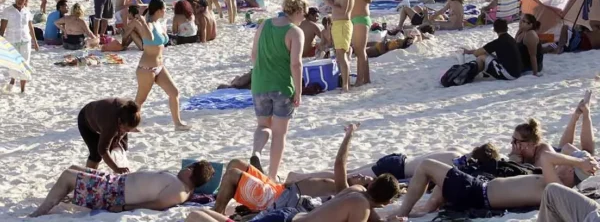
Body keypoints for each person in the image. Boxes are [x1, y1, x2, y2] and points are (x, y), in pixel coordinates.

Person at [197, 124, 402, 222]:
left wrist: (350, 134)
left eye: (366, 178)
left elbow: (340, 165)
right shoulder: (356, 194)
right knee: (235, 166)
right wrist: (349, 134)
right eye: (365, 177)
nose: (363, 177)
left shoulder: (354, 194)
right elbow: (339, 165)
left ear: (371, 185)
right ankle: (206, 214)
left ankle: (207, 214)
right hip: (284, 206)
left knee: (233, 173)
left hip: (284, 206)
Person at [391, 151, 598, 219]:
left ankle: (402, 213)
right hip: (478, 189)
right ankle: (424, 209)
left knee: (427, 165)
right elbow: (557, 154)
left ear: (570, 171)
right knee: (449, 172)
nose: (563, 161)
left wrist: (579, 162)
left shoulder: (556, 186)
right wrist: (581, 162)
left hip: (477, 192)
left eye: (567, 162)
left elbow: (546, 156)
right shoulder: (557, 185)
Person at [250, 0, 307, 180]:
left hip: (259, 83)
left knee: (262, 126)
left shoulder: (265, 24)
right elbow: (296, 64)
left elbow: (254, 55)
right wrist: (299, 91)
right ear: (297, 11)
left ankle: (256, 152)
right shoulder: (295, 32)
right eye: (304, 13)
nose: (304, 17)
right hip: (282, 85)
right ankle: (273, 176)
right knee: (279, 133)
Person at [29, 161, 215, 217]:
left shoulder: (180, 191)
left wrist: (124, 208)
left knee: (68, 176)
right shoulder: (181, 184)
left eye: (189, 167)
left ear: (190, 172)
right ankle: (63, 197)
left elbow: (157, 204)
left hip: (113, 193)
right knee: (75, 168)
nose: (185, 167)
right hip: (114, 182)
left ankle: (39, 212)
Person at [286, 143, 498, 184]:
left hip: (398, 159)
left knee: (348, 172)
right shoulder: (457, 163)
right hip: (395, 169)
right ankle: (298, 178)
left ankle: (300, 176)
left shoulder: (458, 150)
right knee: (345, 177)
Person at [136, 0, 190, 131]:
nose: (166, 11)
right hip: (146, 68)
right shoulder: (148, 24)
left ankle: (177, 123)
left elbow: (165, 39)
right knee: (140, 100)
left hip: (159, 66)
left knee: (174, 92)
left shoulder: (159, 23)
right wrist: (143, 21)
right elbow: (150, 38)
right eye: (165, 9)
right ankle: (130, 125)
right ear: (159, 10)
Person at [77, 98, 140, 172]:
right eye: (126, 129)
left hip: (106, 117)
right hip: (86, 119)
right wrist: (116, 168)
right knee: (96, 154)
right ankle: (88, 175)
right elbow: (103, 150)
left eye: (130, 129)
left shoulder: (132, 112)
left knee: (122, 145)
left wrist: (119, 138)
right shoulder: (110, 125)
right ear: (119, 121)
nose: (127, 132)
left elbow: (125, 129)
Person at [321, 0, 354, 92]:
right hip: (340, 24)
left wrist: (328, 2)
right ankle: (346, 83)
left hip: (342, 24)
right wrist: (329, 0)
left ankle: (345, 85)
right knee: (341, 55)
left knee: (341, 56)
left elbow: (343, 10)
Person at [0, 0, 39, 93]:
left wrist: (35, 42)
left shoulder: (27, 11)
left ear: (26, 0)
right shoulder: (7, 11)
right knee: (14, 65)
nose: (20, 1)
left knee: (25, 64)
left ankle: (22, 90)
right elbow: (2, 29)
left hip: (26, 41)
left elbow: (30, 27)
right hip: (12, 42)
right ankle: (12, 80)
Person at [348, 0, 372, 86]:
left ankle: (359, 80)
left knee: (359, 50)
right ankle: (366, 79)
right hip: (353, 19)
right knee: (360, 50)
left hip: (362, 18)